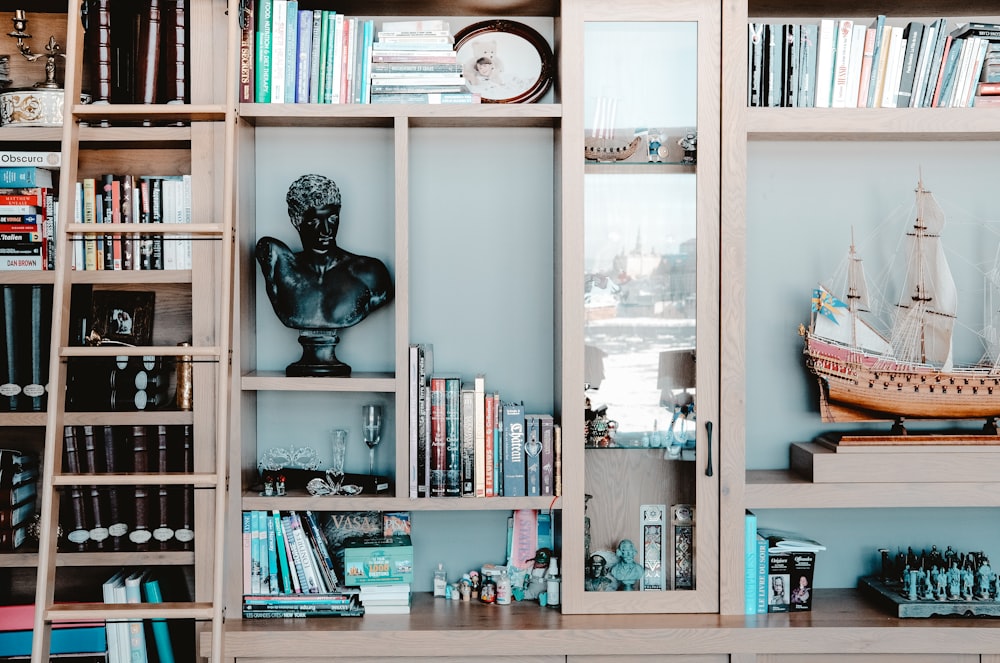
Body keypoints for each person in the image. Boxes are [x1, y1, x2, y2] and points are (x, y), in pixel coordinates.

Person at [256, 174, 394, 376]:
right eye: (314, 222)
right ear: (297, 220)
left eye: (332, 218)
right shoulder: (279, 264)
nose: (327, 230)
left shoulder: (370, 272)